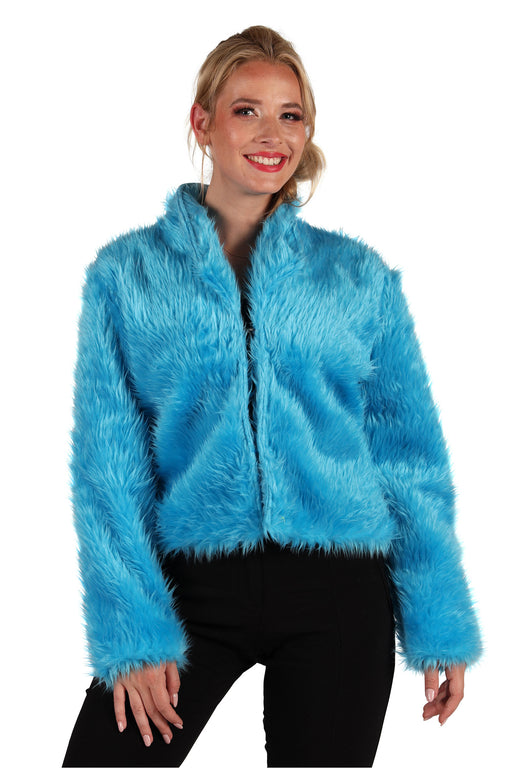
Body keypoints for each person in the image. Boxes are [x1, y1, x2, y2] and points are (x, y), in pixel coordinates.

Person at [62, 25, 482, 768]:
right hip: (194, 587)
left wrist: (437, 616)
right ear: (203, 122)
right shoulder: (127, 276)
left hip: (339, 587)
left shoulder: (356, 277)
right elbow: (109, 469)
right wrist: (133, 631)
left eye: (291, 115)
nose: (272, 134)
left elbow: (408, 457)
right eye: (246, 110)